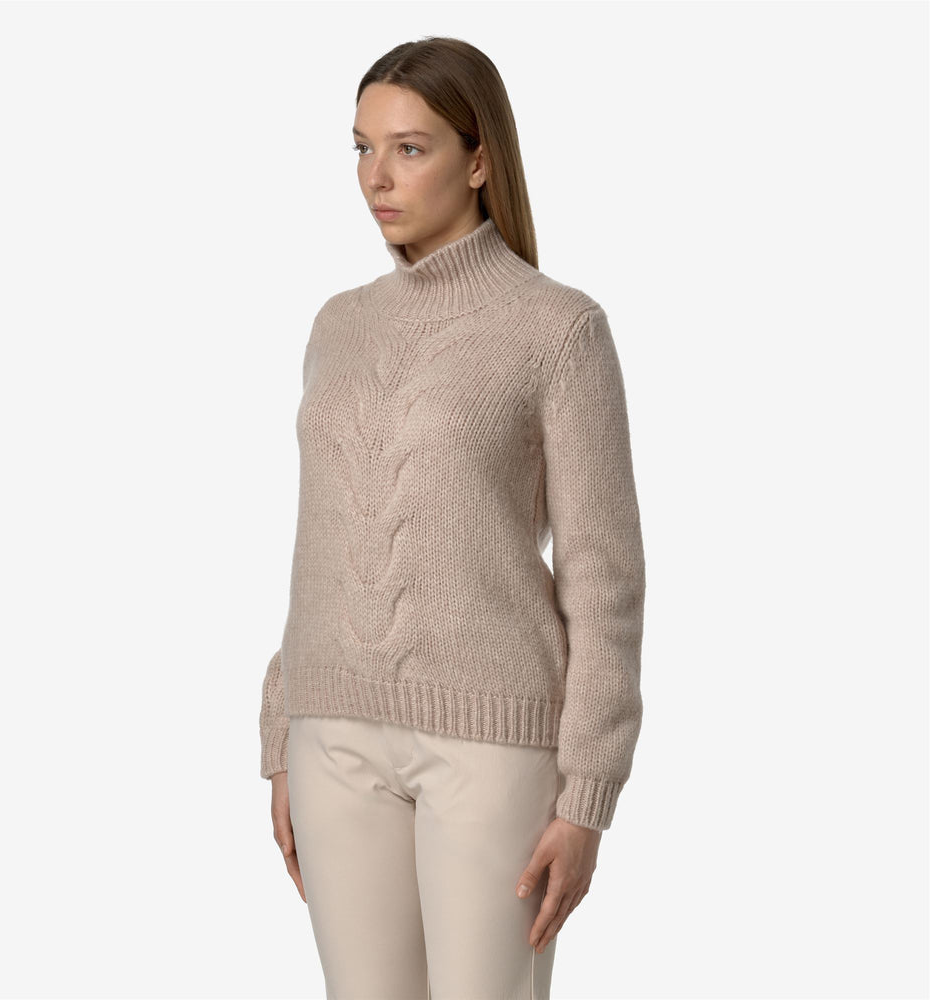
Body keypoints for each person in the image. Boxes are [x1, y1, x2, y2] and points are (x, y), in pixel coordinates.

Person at [258, 36, 646, 1000]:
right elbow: (318, 537)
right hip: (331, 733)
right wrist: (281, 732)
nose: (377, 178)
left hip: (491, 738)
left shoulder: (559, 329)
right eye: (362, 148)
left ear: (479, 160)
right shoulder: (338, 324)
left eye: (410, 148)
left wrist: (588, 797)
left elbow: (605, 579)